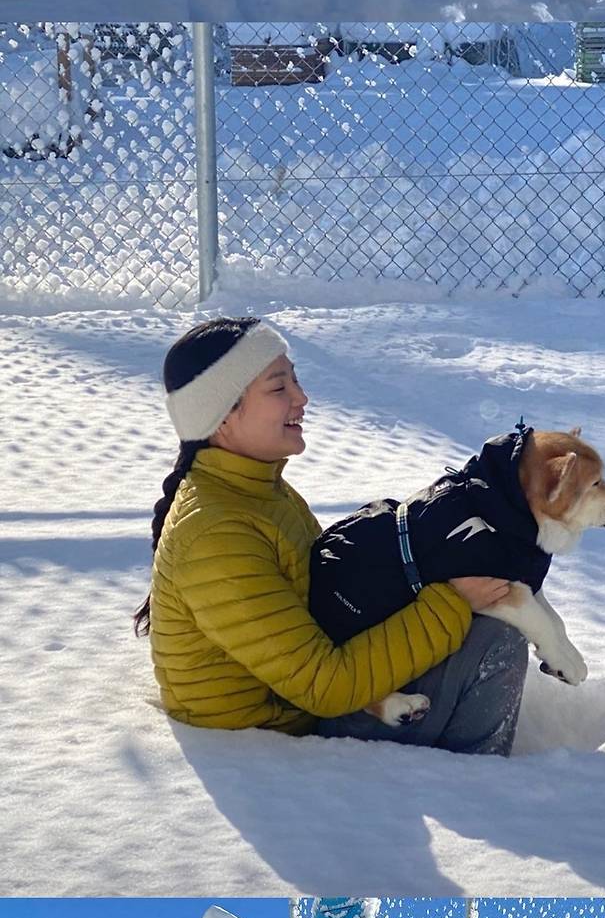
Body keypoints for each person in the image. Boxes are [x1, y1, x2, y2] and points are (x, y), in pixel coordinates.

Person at [141, 315, 526, 751]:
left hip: (300, 708)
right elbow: (325, 686)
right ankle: (475, 788)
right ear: (222, 415)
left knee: (479, 613)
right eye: (278, 387)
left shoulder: (255, 491)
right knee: (495, 641)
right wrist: (452, 601)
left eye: (295, 381)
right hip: (274, 741)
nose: (301, 398)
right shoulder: (216, 533)